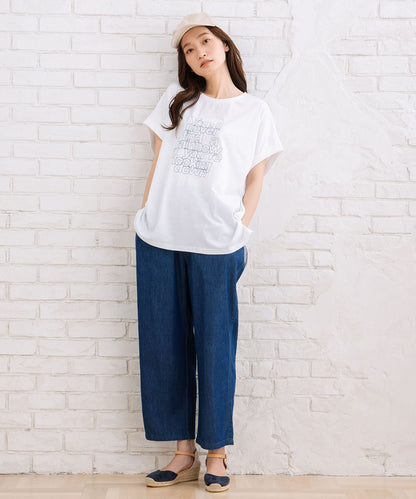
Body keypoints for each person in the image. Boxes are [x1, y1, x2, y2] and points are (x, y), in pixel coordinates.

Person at [134, 12, 284, 493]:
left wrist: (241, 227)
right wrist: (146, 214)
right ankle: (182, 453)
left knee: (216, 346)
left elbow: (256, 176)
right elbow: (158, 161)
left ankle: (216, 451)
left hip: (218, 241)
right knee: (164, 345)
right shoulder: (177, 101)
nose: (198, 51)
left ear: (224, 45)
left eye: (204, 41)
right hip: (160, 237)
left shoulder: (254, 111)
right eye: (188, 49)